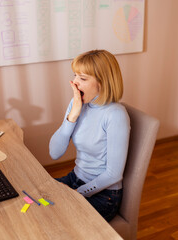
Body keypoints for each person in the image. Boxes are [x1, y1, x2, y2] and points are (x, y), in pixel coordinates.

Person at [49, 49, 130, 222]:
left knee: (54, 219)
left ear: (103, 82)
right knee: (37, 199)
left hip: (103, 195)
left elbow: (114, 174)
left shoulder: (115, 115)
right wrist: (73, 116)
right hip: (75, 178)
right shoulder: (77, 104)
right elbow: (54, 153)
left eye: (83, 78)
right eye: (75, 75)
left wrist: (76, 194)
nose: (75, 83)